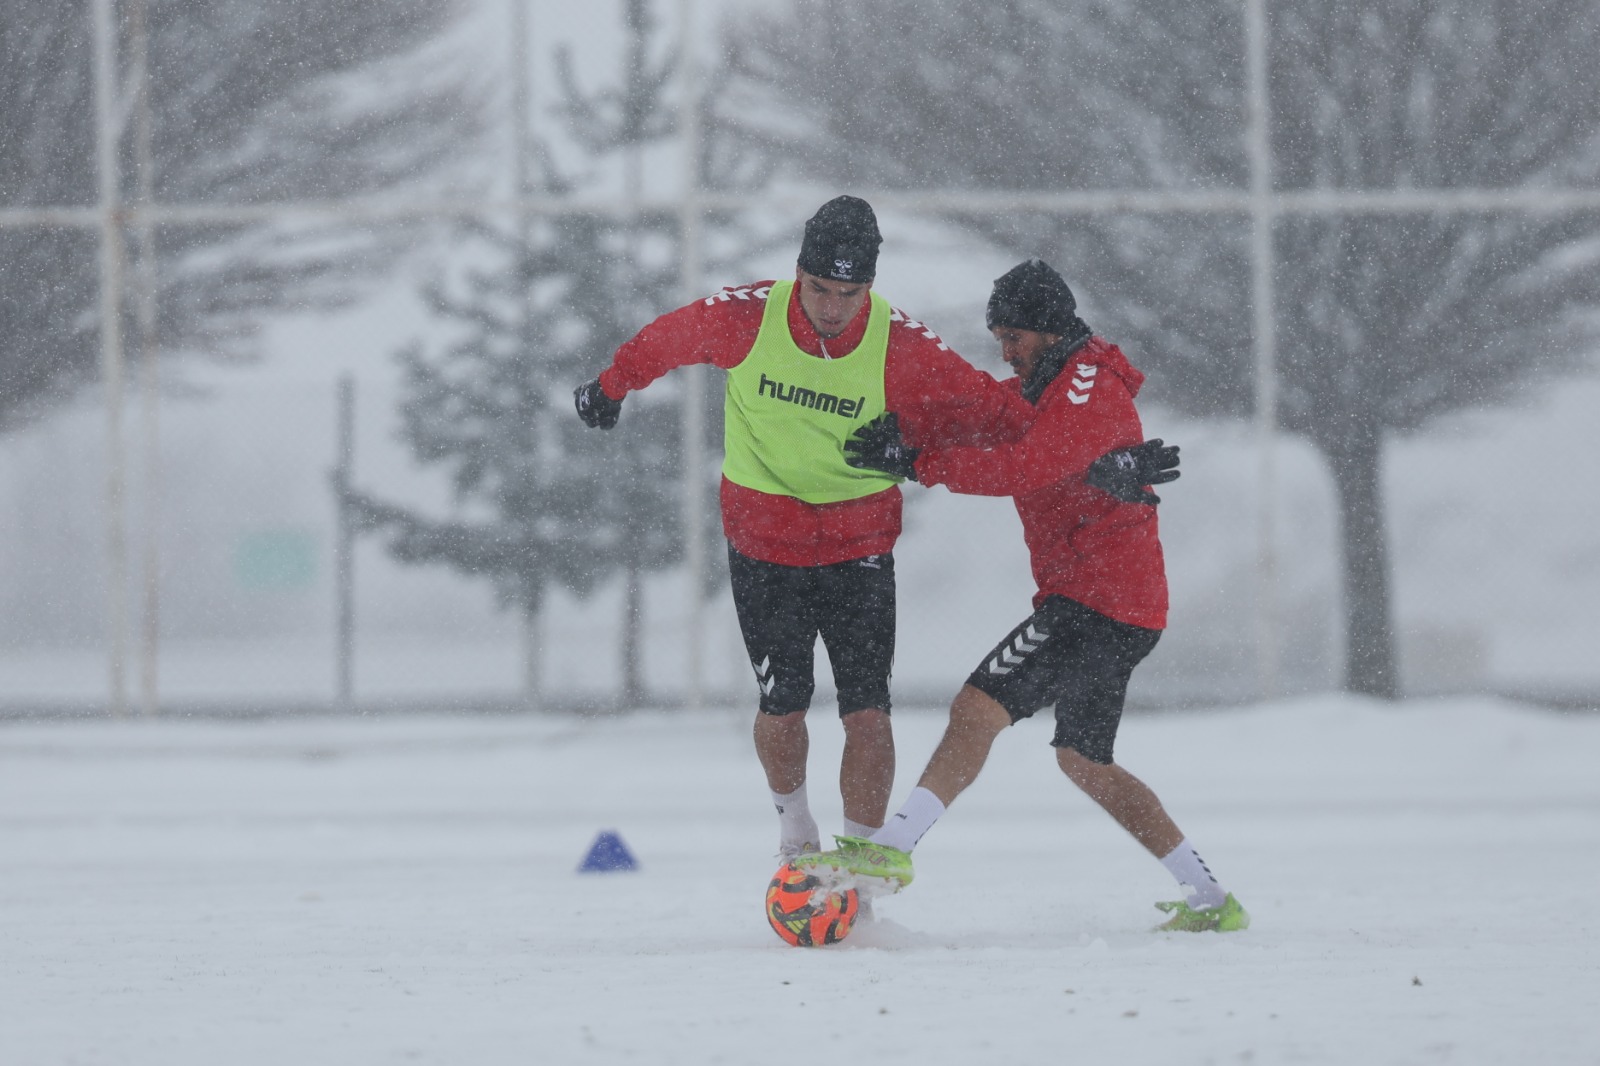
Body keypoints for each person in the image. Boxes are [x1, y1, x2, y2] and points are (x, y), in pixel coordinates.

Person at [572, 196, 1038, 863]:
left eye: (848, 294)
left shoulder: (899, 344)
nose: (831, 307)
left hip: (860, 546)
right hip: (765, 543)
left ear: (869, 289)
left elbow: (997, 412)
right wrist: (611, 387)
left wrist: (1101, 440)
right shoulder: (748, 316)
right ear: (799, 273)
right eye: (819, 288)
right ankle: (796, 836)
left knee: (868, 714)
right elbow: (666, 340)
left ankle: (862, 863)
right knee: (783, 706)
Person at [798, 258, 1248, 933]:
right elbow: (993, 425)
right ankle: (1211, 899)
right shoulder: (1053, 384)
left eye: (1015, 337)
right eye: (999, 338)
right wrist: (909, 433)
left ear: (1050, 329)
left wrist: (917, 463)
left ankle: (893, 849)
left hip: (1095, 601)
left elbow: (1020, 466)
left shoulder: (1085, 386)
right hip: (1121, 606)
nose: (1006, 352)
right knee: (1086, 761)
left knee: (975, 709)